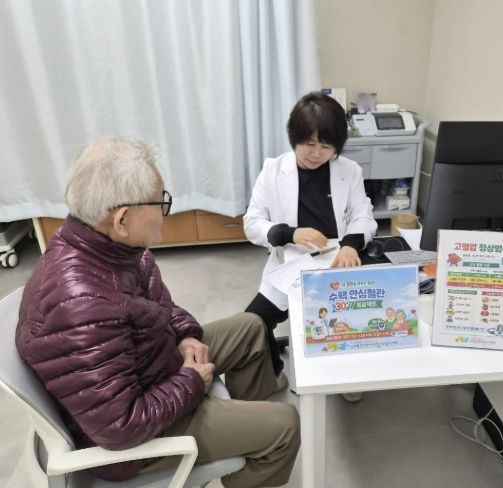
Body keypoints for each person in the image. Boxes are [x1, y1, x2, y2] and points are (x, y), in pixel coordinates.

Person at [15, 138, 299, 487]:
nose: (166, 210)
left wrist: (186, 335)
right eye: (160, 201)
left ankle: (242, 430)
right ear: (122, 218)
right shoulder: (82, 305)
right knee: (285, 425)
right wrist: (191, 382)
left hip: (152, 366)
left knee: (251, 328)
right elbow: (121, 427)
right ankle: (251, 447)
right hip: (139, 439)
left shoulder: (112, 246)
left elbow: (159, 303)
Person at [244, 91, 378, 385]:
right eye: (309, 143)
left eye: (326, 146)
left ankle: (347, 377)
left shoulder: (350, 171)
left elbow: (364, 215)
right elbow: (252, 223)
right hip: (291, 262)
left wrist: (350, 245)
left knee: (350, 321)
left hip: (337, 261)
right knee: (253, 322)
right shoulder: (272, 170)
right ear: (294, 137)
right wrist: (289, 233)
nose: (317, 153)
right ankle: (273, 372)